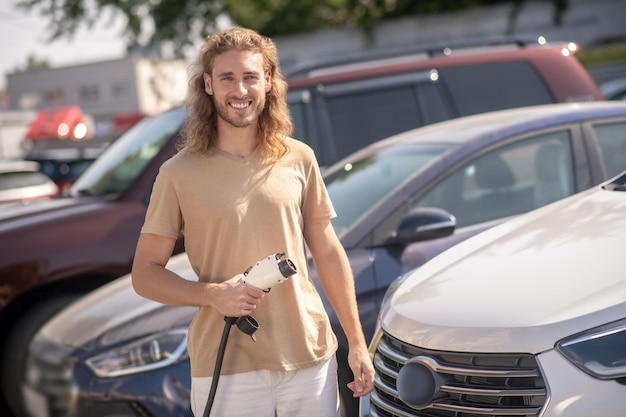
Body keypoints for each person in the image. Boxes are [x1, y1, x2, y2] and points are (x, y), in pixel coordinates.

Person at [131, 26, 375, 417]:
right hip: (226, 367)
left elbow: (328, 252)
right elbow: (144, 274)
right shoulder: (177, 174)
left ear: (268, 81)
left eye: (249, 77)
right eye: (227, 78)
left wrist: (358, 344)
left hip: (308, 359)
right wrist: (213, 295)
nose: (240, 90)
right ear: (208, 84)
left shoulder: (299, 158)